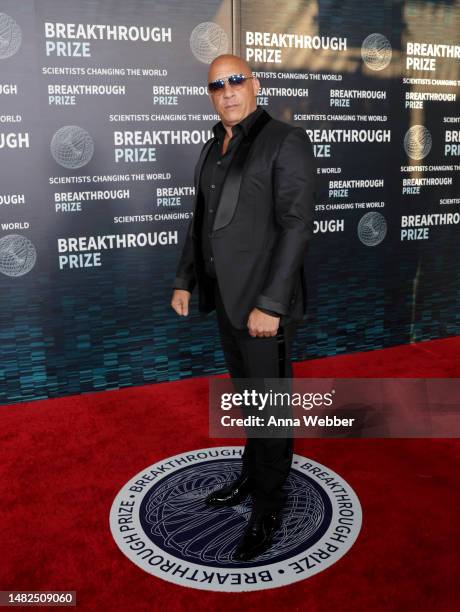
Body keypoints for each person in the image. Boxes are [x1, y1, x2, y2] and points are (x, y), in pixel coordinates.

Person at [171, 53, 316, 561]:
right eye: (217, 85)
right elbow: (201, 220)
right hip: (227, 306)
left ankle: (269, 508)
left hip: (262, 309)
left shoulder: (285, 141)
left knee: (272, 409)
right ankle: (252, 478)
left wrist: (271, 304)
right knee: (252, 403)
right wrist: (185, 279)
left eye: (236, 80)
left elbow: (297, 225)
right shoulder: (213, 146)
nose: (228, 91)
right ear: (210, 95)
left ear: (255, 84)